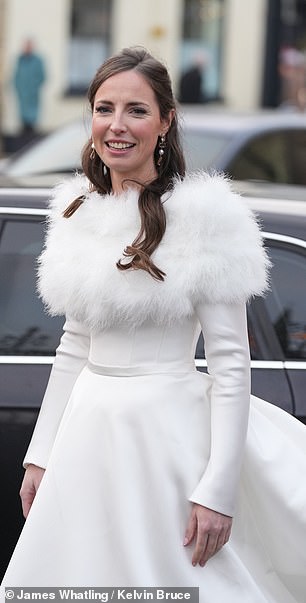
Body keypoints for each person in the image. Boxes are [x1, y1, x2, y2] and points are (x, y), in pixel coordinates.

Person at [1, 47, 306, 601]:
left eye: (136, 110)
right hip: (87, 437)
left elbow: (232, 361)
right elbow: (73, 345)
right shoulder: (75, 211)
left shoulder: (207, 218)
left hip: (168, 442)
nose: (117, 126)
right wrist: (41, 454)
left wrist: (218, 489)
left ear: (165, 121)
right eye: (104, 108)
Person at [13, 39, 46, 133]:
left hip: (33, 95)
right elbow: (16, 76)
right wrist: (18, 88)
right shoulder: (20, 60)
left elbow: (42, 77)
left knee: (32, 119)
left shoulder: (37, 61)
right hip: (22, 95)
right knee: (23, 119)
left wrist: (34, 88)